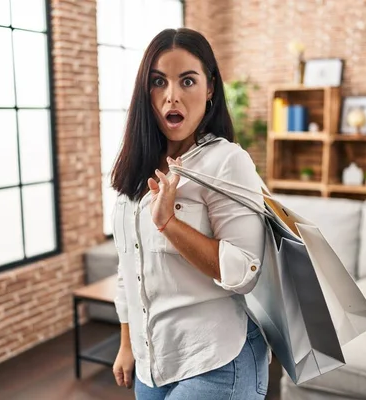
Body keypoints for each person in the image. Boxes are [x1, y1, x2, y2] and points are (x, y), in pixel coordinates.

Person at [109, 27, 268, 400]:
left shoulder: (227, 162)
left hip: (218, 359)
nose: (172, 96)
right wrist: (127, 344)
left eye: (187, 81)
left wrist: (170, 225)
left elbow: (246, 272)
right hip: (154, 363)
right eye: (159, 82)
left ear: (210, 88)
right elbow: (127, 269)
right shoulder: (137, 169)